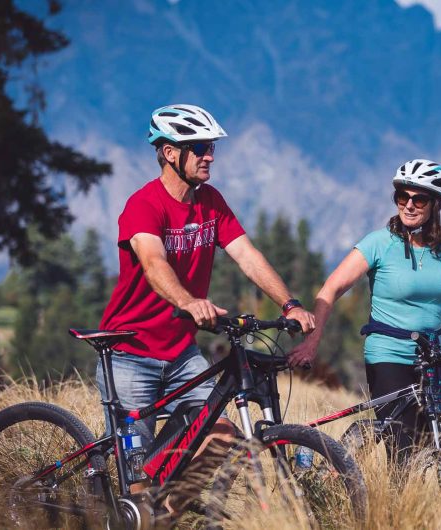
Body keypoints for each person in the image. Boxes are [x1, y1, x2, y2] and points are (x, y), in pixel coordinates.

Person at [97, 104, 316, 499]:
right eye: (199, 147)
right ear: (169, 152)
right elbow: (152, 261)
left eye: (211, 147)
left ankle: (164, 517)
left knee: (221, 436)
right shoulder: (143, 205)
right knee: (137, 478)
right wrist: (188, 301)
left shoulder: (210, 202)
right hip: (130, 353)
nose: (209, 156)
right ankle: (134, 508)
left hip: (180, 353)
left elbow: (247, 256)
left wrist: (290, 304)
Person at [289, 158, 441, 464]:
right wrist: (311, 343)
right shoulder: (378, 243)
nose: (408, 205)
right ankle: (395, 508)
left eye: (419, 199)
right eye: (402, 197)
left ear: (437, 204)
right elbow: (329, 291)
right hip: (388, 354)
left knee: (434, 444)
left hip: (431, 355)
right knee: (404, 448)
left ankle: (360, 447)